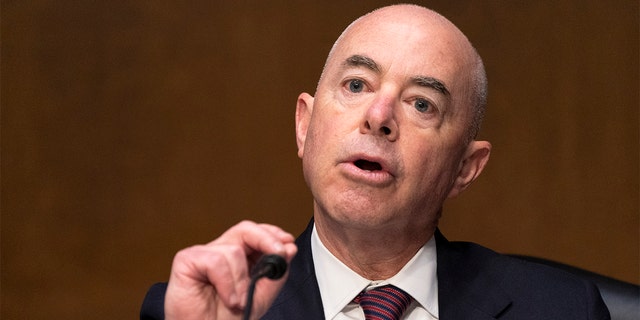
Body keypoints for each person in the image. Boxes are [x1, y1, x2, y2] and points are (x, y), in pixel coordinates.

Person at [141, 4, 610, 320]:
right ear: (305, 125)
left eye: (422, 104)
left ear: (465, 168)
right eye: (357, 85)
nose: (379, 116)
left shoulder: (561, 309)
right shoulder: (208, 309)